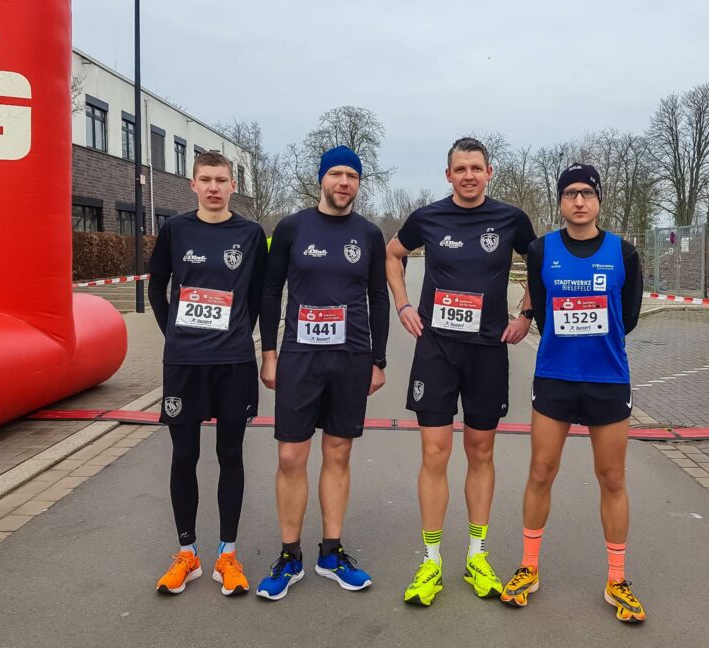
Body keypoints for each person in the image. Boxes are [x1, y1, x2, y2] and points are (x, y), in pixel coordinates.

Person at [385, 137, 536, 606]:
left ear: (490, 172)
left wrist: (525, 314)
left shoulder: (511, 219)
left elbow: (542, 262)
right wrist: (403, 304)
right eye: (459, 168)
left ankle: (477, 553)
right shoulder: (427, 217)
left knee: (481, 450)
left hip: (488, 351)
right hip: (437, 351)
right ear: (447, 175)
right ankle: (431, 561)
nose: (468, 175)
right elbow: (392, 254)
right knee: (434, 452)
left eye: (476, 167)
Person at [499, 163, 645, 623]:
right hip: (556, 378)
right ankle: (528, 568)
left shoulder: (623, 252)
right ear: (560, 201)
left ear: (599, 200)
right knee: (541, 471)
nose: (579, 201)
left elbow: (631, 315)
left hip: (607, 380)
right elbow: (537, 306)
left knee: (612, 477)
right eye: (570, 194)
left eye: (587, 193)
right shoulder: (542, 251)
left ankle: (617, 579)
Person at [255, 146, 389, 600]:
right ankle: (289, 556)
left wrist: (379, 359)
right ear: (321, 179)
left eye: (352, 174)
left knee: (338, 453)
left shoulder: (368, 234)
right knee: (291, 457)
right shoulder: (292, 227)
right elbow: (271, 291)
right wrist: (269, 352)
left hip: (350, 358)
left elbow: (379, 297)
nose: (344, 181)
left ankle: (331, 553)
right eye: (336, 173)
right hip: (299, 357)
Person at [148, 150, 268, 596]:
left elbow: (257, 295)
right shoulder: (175, 229)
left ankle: (228, 555)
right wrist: (172, 333)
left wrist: (239, 332)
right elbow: (157, 284)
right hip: (184, 364)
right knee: (184, 457)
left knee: (231, 456)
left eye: (221, 179)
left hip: (233, 363)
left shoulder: (250, 234)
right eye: (206, 179)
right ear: (192, 184)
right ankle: (188, 554)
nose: (214, 187)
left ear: (233, 186)